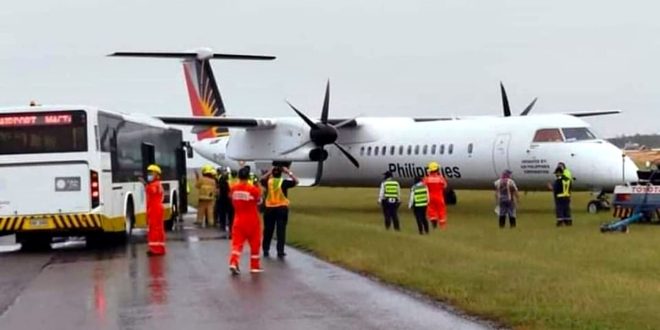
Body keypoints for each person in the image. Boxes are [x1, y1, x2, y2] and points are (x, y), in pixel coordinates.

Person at [228, 166, 264, 274]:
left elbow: (231, 198)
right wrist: (257, 185)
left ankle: (233, 263)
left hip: (238, 220)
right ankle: (254, 266)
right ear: (248, 177)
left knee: (237, 245)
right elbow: (259, 200)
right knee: (255, 244)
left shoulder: (234, 188)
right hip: (252, 220)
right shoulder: (252, 189)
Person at [261, 166, 299, 258]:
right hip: (281, 208)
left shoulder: (268, 182)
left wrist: (269, 171)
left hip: (269, 208)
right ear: (281, 173)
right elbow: (296, 181)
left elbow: (261, 179)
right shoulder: (284, 182)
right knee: (281, 231)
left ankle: (266, 249)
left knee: (268, 230)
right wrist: (288, 172)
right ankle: (280, 251)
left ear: (272, 173)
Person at [144, 164, 166, 256]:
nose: (150, 175)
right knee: (158, 229)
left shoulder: (155, 184)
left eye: (151, 173)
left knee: (154, 229)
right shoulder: (158, 184)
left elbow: (151, 191)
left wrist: (146, 185)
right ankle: (159, 248)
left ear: (157, 174)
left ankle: (155, 250)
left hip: (155, 209)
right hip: (156, 208)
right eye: (149, 173)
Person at [423, 161, 448, 229]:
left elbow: (424, 186)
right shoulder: (440, 178)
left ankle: (434, 223)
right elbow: (445, 186)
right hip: (439, 196)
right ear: (437, 170)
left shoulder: (426, 178)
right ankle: (442, 226)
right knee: (441, 210)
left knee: (431, 210)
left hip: (430, 197)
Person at [216, 168, 233, 236]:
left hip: (222, 199)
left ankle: (222, 225)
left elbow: (219, 190)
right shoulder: (228, 183)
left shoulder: (221, 182)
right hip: (228, 200)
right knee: (229, 214)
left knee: (222, 213)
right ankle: (229, 225)